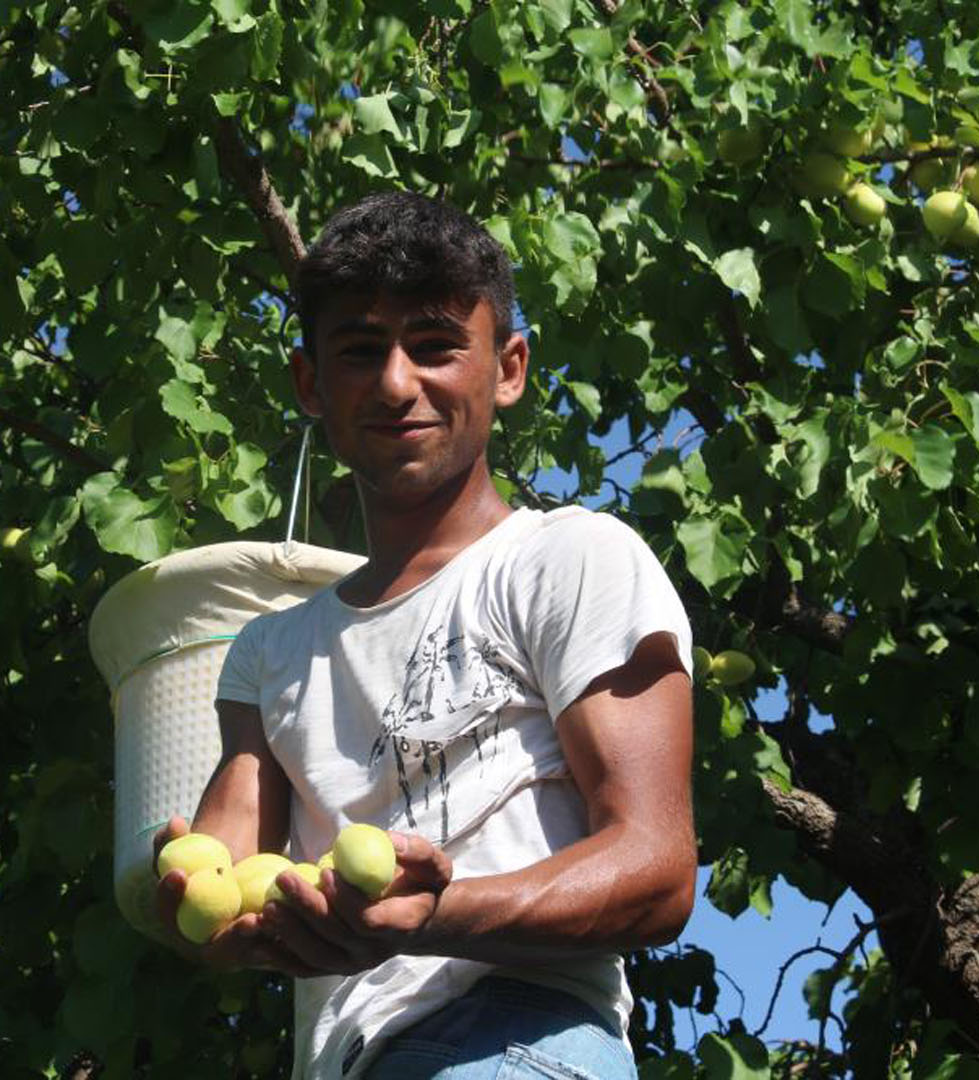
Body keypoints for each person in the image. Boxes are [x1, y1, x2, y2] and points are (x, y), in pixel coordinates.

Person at [154, 192, 696, 1079]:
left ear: (510, 367)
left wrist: (434, 915)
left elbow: (658, 870)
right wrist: (198, 899)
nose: (398, 383)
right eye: (361, 351)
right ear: (308, 382)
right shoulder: (269, 654)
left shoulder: (568, 560)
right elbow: (230, 861)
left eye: (436, 344)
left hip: (517, 1039)